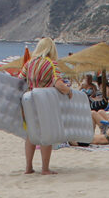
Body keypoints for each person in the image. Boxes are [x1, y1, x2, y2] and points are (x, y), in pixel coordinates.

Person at [21, 38, 71, 174]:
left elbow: (19, 80)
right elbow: (58, 84)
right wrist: (69, 91)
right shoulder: (51, 64)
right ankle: (45, 168)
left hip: (28, 101)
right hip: (43, 102)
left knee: (31, 134)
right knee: (45, 134)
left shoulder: (29, 63)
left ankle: (28, 167)